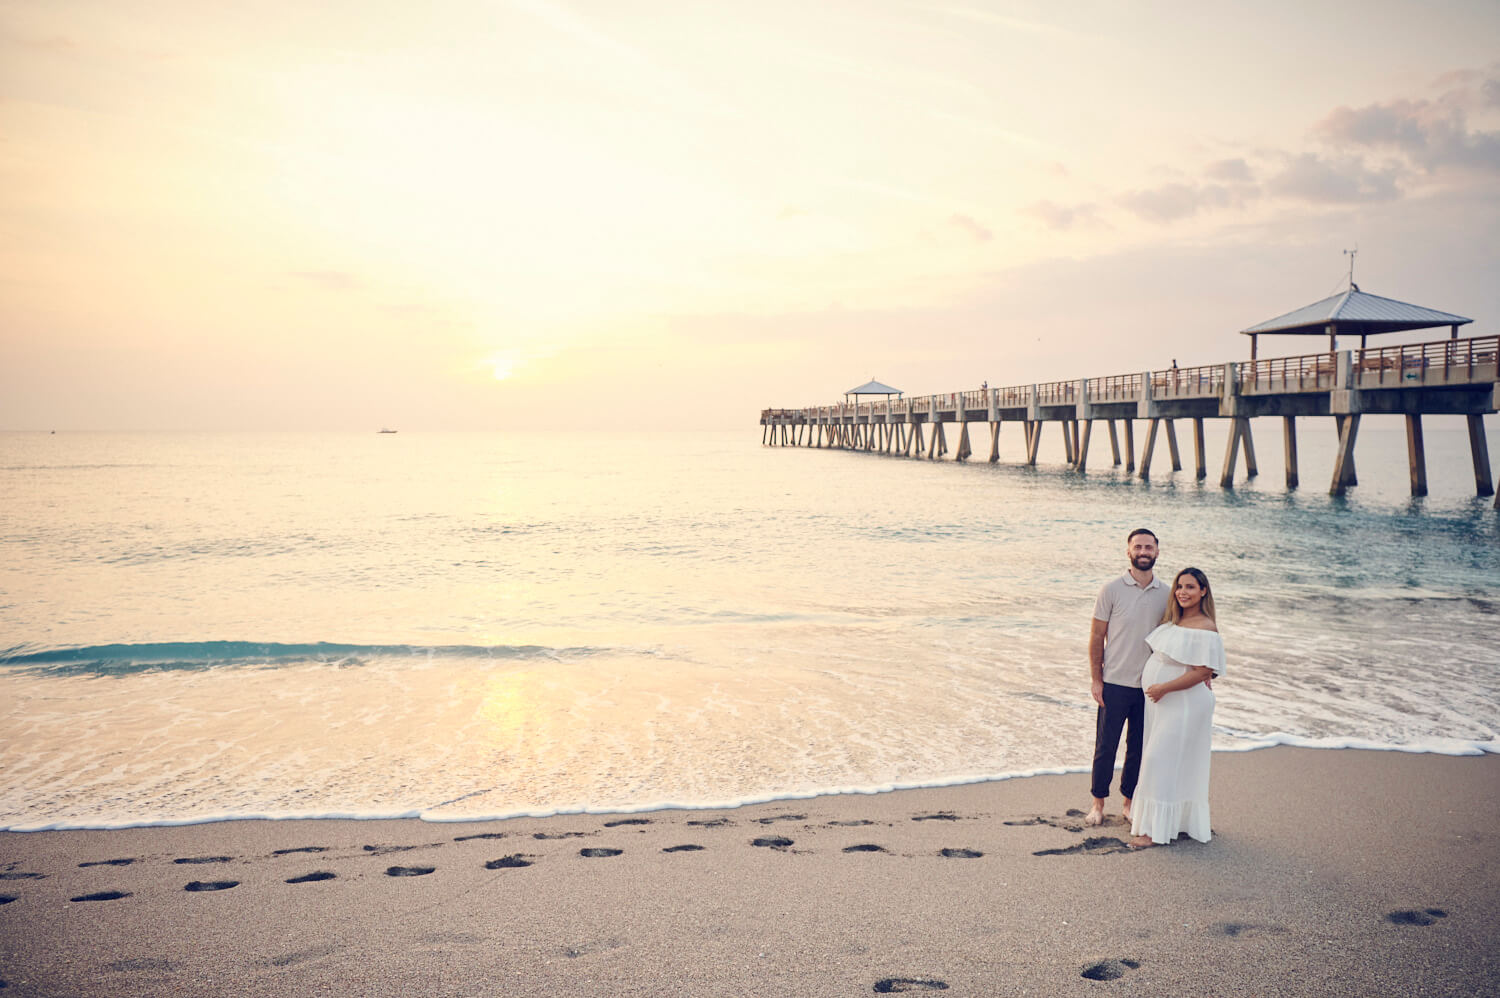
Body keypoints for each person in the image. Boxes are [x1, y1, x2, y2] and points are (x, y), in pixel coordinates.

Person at [1129, 567, 1225, 848]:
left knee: (1161, 760)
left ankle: (1154, 833)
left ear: (1203, 591)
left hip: (1183, 702)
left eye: (1191, 587)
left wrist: (1163, 687)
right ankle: (1173, 822)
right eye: (1180, 586)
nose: (1183, 592)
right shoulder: (1175, 622)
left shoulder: (1205, 627)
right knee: (1168, 760)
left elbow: (1202, 672)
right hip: (1164, 703)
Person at [1085, 528, 1170, 827]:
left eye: (1149, 547)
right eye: (1138, 547)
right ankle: (1097, 804)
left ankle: (1128, 803)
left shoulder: (1168, 593)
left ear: (1157, 552)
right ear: (1128, 552)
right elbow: (1097, 636)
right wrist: (1097, 679)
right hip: (1115, 682)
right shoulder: (1111, 589)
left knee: (1138, 748)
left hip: (1150, 685)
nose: (1143, 551)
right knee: (1106, 746)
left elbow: (1178, 638)